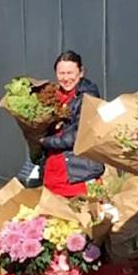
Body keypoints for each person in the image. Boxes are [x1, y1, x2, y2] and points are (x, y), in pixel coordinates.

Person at [38, 51, 104, 197]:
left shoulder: (88, 96)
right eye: (61, 73)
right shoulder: (53, 95)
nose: (66, 78)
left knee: (81, 214)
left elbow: (77, 135)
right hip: (54, 169)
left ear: (81, 72)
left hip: (78, 172)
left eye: (70, 73)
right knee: (55, 215)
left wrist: (44, 141)